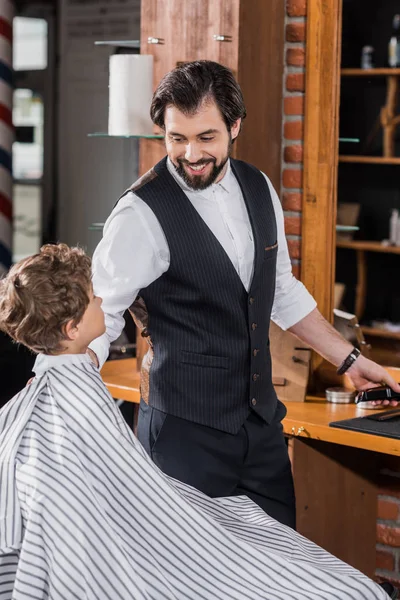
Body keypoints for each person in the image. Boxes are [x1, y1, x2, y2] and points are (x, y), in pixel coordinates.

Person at [90, 60, 400, 530]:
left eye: (206, 138)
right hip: (183, 435)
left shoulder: (258, 188)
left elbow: (279, 291)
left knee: (279, 572)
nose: (190, 154)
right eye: (177, 138)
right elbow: (102, 311)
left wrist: (351, 362)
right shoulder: (139, 212)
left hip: (261, 434)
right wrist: (63, 379)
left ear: (235, 126)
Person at [0, 243, 393, 600]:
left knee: (259, 540)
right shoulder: (73, 399)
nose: (103, 299)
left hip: (155, 517)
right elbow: (82, 509)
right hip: (138, 549)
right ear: (71, 329)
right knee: (312, 580)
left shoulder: (61, 379)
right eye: (93, 299)